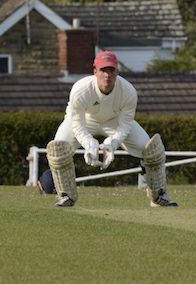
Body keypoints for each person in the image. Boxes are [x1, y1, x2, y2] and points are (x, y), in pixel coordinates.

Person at [45, 50, 178, 208]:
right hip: (86, 120)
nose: (107, 75)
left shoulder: (128, 91)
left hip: (114, 121)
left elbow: (125, 124)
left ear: (117, 71)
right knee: (58, 148)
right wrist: (89, 144)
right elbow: (77, 123)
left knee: (152, 149)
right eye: (103, 70)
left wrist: (111, 144)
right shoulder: (81, 89)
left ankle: (159, 196)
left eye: (111, 70)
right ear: (95, 71)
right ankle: (66, 196)